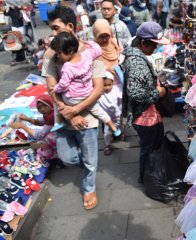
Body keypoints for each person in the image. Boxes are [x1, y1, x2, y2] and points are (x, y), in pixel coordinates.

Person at [43, 5, 106, 210]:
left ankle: (89, 187)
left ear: (69, 26)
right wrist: (69, 115)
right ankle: (91, 167)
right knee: (67, 158)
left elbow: (97, 89)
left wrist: (77, 110)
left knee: (89, 159)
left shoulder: (89, 53)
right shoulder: (51, 55)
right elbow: (52, 89)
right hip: (63, 117)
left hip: (88, 118)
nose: (52, 33)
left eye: (55, 28)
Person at [122, 22, 169, 183]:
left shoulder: (136, 56)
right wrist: (158, 93)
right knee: (148, 149)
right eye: (154, 45)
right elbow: (134, 92)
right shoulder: (137, 63)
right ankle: (146, 177)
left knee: (149, 146)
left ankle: (149, 175)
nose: (155, 49)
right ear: (143, 43)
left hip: (146, 113)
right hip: (143, 115)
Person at [50, 32, 121, 136]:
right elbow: (97, 49)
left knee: (57, 98)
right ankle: (114, 128)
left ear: (69, 51)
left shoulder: (67, 67)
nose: (58, 56)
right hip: (88, 94)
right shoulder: (87, 55)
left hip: (73, 98)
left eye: (59, 53)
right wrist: (87, 42)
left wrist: (56, 89)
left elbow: (64, 84)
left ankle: (60, 121)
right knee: (99, 111)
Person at [9, 94, 57, 164]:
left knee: (37, 144)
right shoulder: (50, 112)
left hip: (59, 139)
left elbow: (39, 135)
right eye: (39, 107)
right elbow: (41, 121)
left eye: (45, 106)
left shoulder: (51, 116)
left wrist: (22, 126)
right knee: (36, 140)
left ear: (50, 103)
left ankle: (56, 154)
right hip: (57, 137)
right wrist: (27, 119)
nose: (43, 109)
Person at [99, 71, 122, 155]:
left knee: (119, 125)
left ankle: (119, 133)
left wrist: (117, 71)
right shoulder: (99, 93)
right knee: (107, 132)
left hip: (117, 115)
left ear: (113, 83)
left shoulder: (116, 89)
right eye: (104, 85)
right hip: (107, 118)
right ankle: (107, 145)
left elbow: (122, 82)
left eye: (109, 85)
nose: (107, 87)